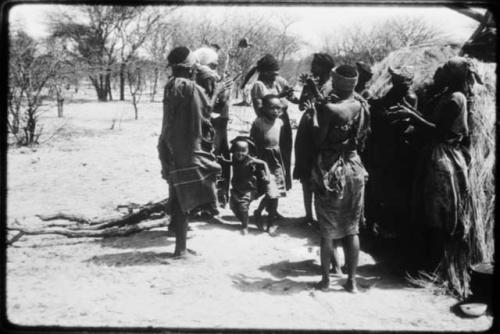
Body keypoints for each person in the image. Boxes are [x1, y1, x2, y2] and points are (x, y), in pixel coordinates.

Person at [389, 57, 481, 297]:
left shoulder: (456, 98)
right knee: (428, 212)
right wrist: (411, 113)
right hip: (435, 154)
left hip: (444, 157)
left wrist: (412, 117)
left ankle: (438, 269)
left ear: (455, 76)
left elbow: (438, 130)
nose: (440, 71)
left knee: (438, 214)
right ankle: (428, 265)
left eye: (447, 69)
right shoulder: (446, 94)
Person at [306, 65, 370, 292]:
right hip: (355, 168)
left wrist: (314, 114)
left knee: (327, 230)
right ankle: (351, 281)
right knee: (352, 228)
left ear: (335, 81)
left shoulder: (330, 110)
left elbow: (318, 142)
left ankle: (325, 280)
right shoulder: (362, 104)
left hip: (331, 170)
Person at [157, 46, 221, 257]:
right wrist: (216, 93)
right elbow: (204, 115)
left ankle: (179, 244)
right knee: (186, 197)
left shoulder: (172, 85)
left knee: (177, 194)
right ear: (190, 66)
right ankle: (180, 250)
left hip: (171, 144)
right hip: (187, 147)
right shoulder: (190, 88)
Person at [364, 66, 418, 238]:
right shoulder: (393, 92)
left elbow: (404, 123)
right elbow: (381, 106)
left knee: (390, 189)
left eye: (398, 78)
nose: (394, 80)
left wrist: (382, 115)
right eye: (394, 77)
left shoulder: (409, 96)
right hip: (382, 146)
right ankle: (372, 224)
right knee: (375, 186)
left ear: (407, 81)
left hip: (395, 148)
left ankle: (387, 228)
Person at [242, 54, 294, 196]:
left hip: (282, 125)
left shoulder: (278, 82)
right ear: (264, 72)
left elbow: (292, 98)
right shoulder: (259, 86)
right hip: (268, 128)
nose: (275, 76)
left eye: (277, 73)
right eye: (273, 73)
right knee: (270, 162)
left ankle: (276, 199)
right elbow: (259, 111)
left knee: (283, 159)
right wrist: (279, 97)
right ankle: (268, 200)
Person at [293, 53, 335, 227]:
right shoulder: (313, 82)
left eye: (315, 64)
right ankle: (308, 215)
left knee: (318, 173)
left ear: (325, 67)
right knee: (305, 172)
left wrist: (313, 88)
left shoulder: (333, 86)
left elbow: (327, 107)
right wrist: (307, 88)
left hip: (321, 130)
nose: (312, 67)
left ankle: (321, 216)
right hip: (306, 128)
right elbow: (302, 105)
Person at [194, 47, 232, 208]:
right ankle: (212, 201)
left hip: (214, 125)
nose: (215, 68)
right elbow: (213, 106)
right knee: (215, 161)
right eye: (213, 65)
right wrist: (223, 90)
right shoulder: (208, 75)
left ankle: (212, 200)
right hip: (213, 126)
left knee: (215, 161)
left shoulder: (201, 75)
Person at [250, 94, 288, 235]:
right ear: (264, 108)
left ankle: (270, 221)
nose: (276, 111)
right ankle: (258, 212)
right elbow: (252, 142)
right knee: (268, 190)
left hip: (276, 160)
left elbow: (282, 142)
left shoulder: (280, 122)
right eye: (272, 108)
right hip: (263, 160)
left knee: (275, 192)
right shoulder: (258, 122)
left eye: (278, 108)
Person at [224, 136, 271, 235]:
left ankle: (245, 227)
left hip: (248, 189)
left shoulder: (250, 160)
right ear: (234, 150)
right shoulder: (235, 158)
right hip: (236, 188)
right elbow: (234, 163)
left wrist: (267, 176)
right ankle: (245, 220)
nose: (240, 153)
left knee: (243, 207)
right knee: (233, 206)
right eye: (237, 150)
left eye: (243, 151)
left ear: (248, 151)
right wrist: (225, 161)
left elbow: (264, 163)